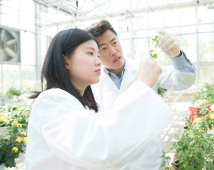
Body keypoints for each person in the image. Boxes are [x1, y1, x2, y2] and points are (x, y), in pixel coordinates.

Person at [25, 28, 173, 170]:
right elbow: (101, 150)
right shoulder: (52, 102)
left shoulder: (80, 104)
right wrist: (142, 85)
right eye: (90, 53)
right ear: (66, 61)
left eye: (97, 55)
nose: (98, 61)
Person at [86, 20, 197, 170]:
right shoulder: (93, 84)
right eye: (103, 48)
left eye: (114, 42)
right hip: (115, 162)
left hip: (149, 160)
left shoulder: (144, 67)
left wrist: (177, 56)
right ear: (96, 54)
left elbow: (182, 81)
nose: (113, 51)